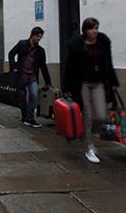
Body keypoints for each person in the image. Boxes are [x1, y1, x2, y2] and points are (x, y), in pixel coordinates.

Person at [62, 17, 119, 164]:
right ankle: (89, 147)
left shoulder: (102, 43)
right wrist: (67, 87)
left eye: (96, 28)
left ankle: (85, 132)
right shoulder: (77, 46)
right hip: (83, 84)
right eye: (92, 28)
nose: (95, 31)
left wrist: (112, 82)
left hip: (99, 82)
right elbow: (69, 67)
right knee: (87, 113)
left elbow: (109, 63)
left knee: (100, 115)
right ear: (85, 30)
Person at [8, 26, 51, 128]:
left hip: (32, 76)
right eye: (38, 36)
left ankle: (30, 117)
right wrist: (13, 67)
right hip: (21, 74)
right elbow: (11, 53)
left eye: (41, 37)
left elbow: (43, 66)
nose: (39, 39)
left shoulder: (40, 50)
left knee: (34, 94)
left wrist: (48, 81)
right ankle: (26, 118)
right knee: (22, 97)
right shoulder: (22, 44)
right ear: (33, 35)